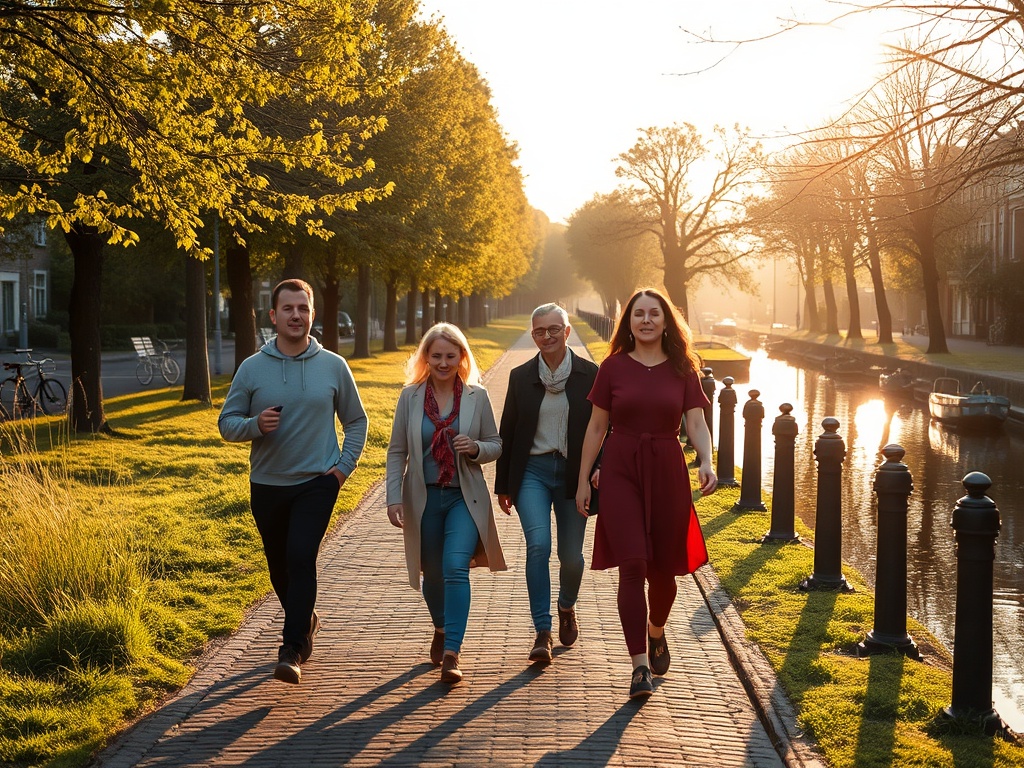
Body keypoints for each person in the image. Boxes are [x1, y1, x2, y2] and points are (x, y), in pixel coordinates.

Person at [218, 278, 367, 685]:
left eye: (303, 308)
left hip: (317, 482)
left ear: (312, 314)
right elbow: (226, 425)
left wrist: (341, 470)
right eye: (288, 309)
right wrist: (255, 425)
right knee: (279, 567)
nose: (296, 315)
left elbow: (356, 421)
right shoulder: (252, 368)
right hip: (267, 484)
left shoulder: (333, 365)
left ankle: (292, 648)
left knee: (301, 555)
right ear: (274, 315)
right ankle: (305, 616)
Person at [575, 288, 717, 700]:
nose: (647, 320)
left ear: (667, 321)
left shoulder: (683, 370)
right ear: (629, 321)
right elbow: (596, 428)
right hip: (620, 468)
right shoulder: (613, 367)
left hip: (668, 469)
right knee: (633, 564)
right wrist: (584, 479)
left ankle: (656, 632)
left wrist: (706, 460)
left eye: (655, 313)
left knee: (664, 572)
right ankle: (639, 666)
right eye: (639, 313)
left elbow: (696, 423)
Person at [386, 322, 506, 684]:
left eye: (450, 356)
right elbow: (397, 452)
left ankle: (452, 651)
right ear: (425, 357)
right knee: (432, 574)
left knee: (455, 567)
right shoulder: (409, 397)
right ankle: (440, 626)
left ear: (461, 357)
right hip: (423, 499)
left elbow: (495, 444)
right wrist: (393, 497)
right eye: (435, 355)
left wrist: (477, 448)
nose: (442, 362)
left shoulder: (476, 396)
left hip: (463, 498)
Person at [494, 303, 598, 662]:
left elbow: (604, 429)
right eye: (540, 331)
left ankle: (567, 606)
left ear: (567, 332)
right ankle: (542, 630)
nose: (548, 336)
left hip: (574, 475)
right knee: (538, 546)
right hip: (533, 473)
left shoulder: (591, 374)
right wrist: (504, 484)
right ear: (533, 334)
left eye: (555, 329)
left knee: (571, 557)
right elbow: (508, 429)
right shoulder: (520, 376)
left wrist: (597, 471)